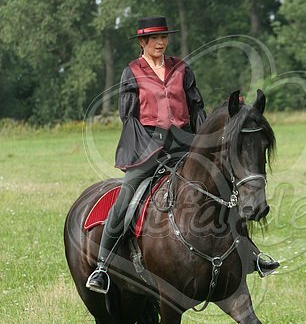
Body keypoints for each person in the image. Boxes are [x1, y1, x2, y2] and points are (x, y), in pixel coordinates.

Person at [86, 15, 279, 294]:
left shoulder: (182, 69)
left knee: (224, 189)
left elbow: (196, 109)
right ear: (143, 42)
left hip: (185, 144)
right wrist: (153, 146)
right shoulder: (131, 72)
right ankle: (103, 267)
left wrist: (200, 145)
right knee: (126, 197)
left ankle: (251, 254)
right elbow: (128, 117)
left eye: (164, 38)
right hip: (146, 148)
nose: (161, 43)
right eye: (155, 39)